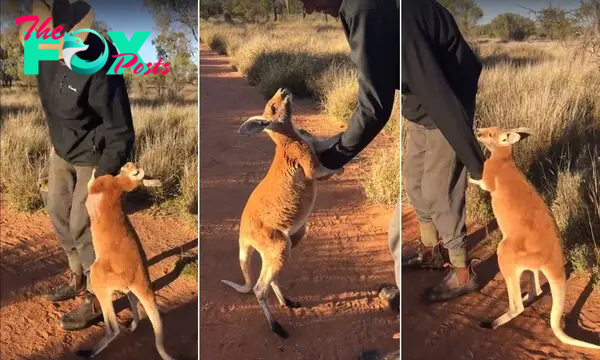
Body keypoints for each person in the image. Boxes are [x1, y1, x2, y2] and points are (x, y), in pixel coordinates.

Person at [18, 0, 134, 331]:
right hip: (63, 149)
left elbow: (121, 131)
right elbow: (49, 102)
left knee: (83, 223)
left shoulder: (102, 62)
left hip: (96, 154)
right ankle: (78, 277)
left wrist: (103, 179)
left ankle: (99, 298)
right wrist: (56, 142)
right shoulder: (39, 53)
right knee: (57, 210)